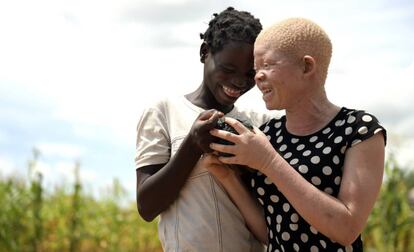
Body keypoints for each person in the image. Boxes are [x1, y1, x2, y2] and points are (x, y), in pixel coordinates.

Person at [207, 17, 387, 251]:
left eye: (268, 65)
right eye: (256, 69)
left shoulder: (358, 130)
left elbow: (346, 228)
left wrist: (269, 161)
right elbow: (271, 231)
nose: (257, 76)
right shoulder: (268, 135)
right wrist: (227, 178)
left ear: (307, 67)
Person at [135, 7, 272, 252]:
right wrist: (192, 145)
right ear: (204, 53)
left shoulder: (260, 124)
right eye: (228, 69)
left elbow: (272, 218)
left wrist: (246, 166)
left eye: (250, 74)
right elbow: (147, 207)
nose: (239, 82)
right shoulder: (164, 112)